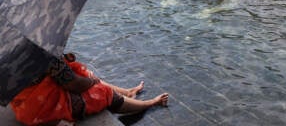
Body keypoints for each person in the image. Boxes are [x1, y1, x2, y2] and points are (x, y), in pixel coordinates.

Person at [10, 52, 168, 126]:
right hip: (44, 108)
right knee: (102, 92)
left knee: (83, 74)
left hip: (24, 107)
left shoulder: (7, 55)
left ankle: (128, 92)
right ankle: (151, 103)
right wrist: (90, 80)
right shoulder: (43, 53)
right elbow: (75, 85)